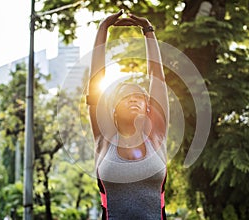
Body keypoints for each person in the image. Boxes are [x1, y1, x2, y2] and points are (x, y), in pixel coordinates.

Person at [86, 10, 169, 220]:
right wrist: (103, 28)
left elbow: (157, 77)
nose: (134, 99)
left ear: (148, 108)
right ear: (113, 111)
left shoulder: (156, 137)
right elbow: (96, 80)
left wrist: (148, 30)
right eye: (125, 97)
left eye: (140, 97)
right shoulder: (104, 140)